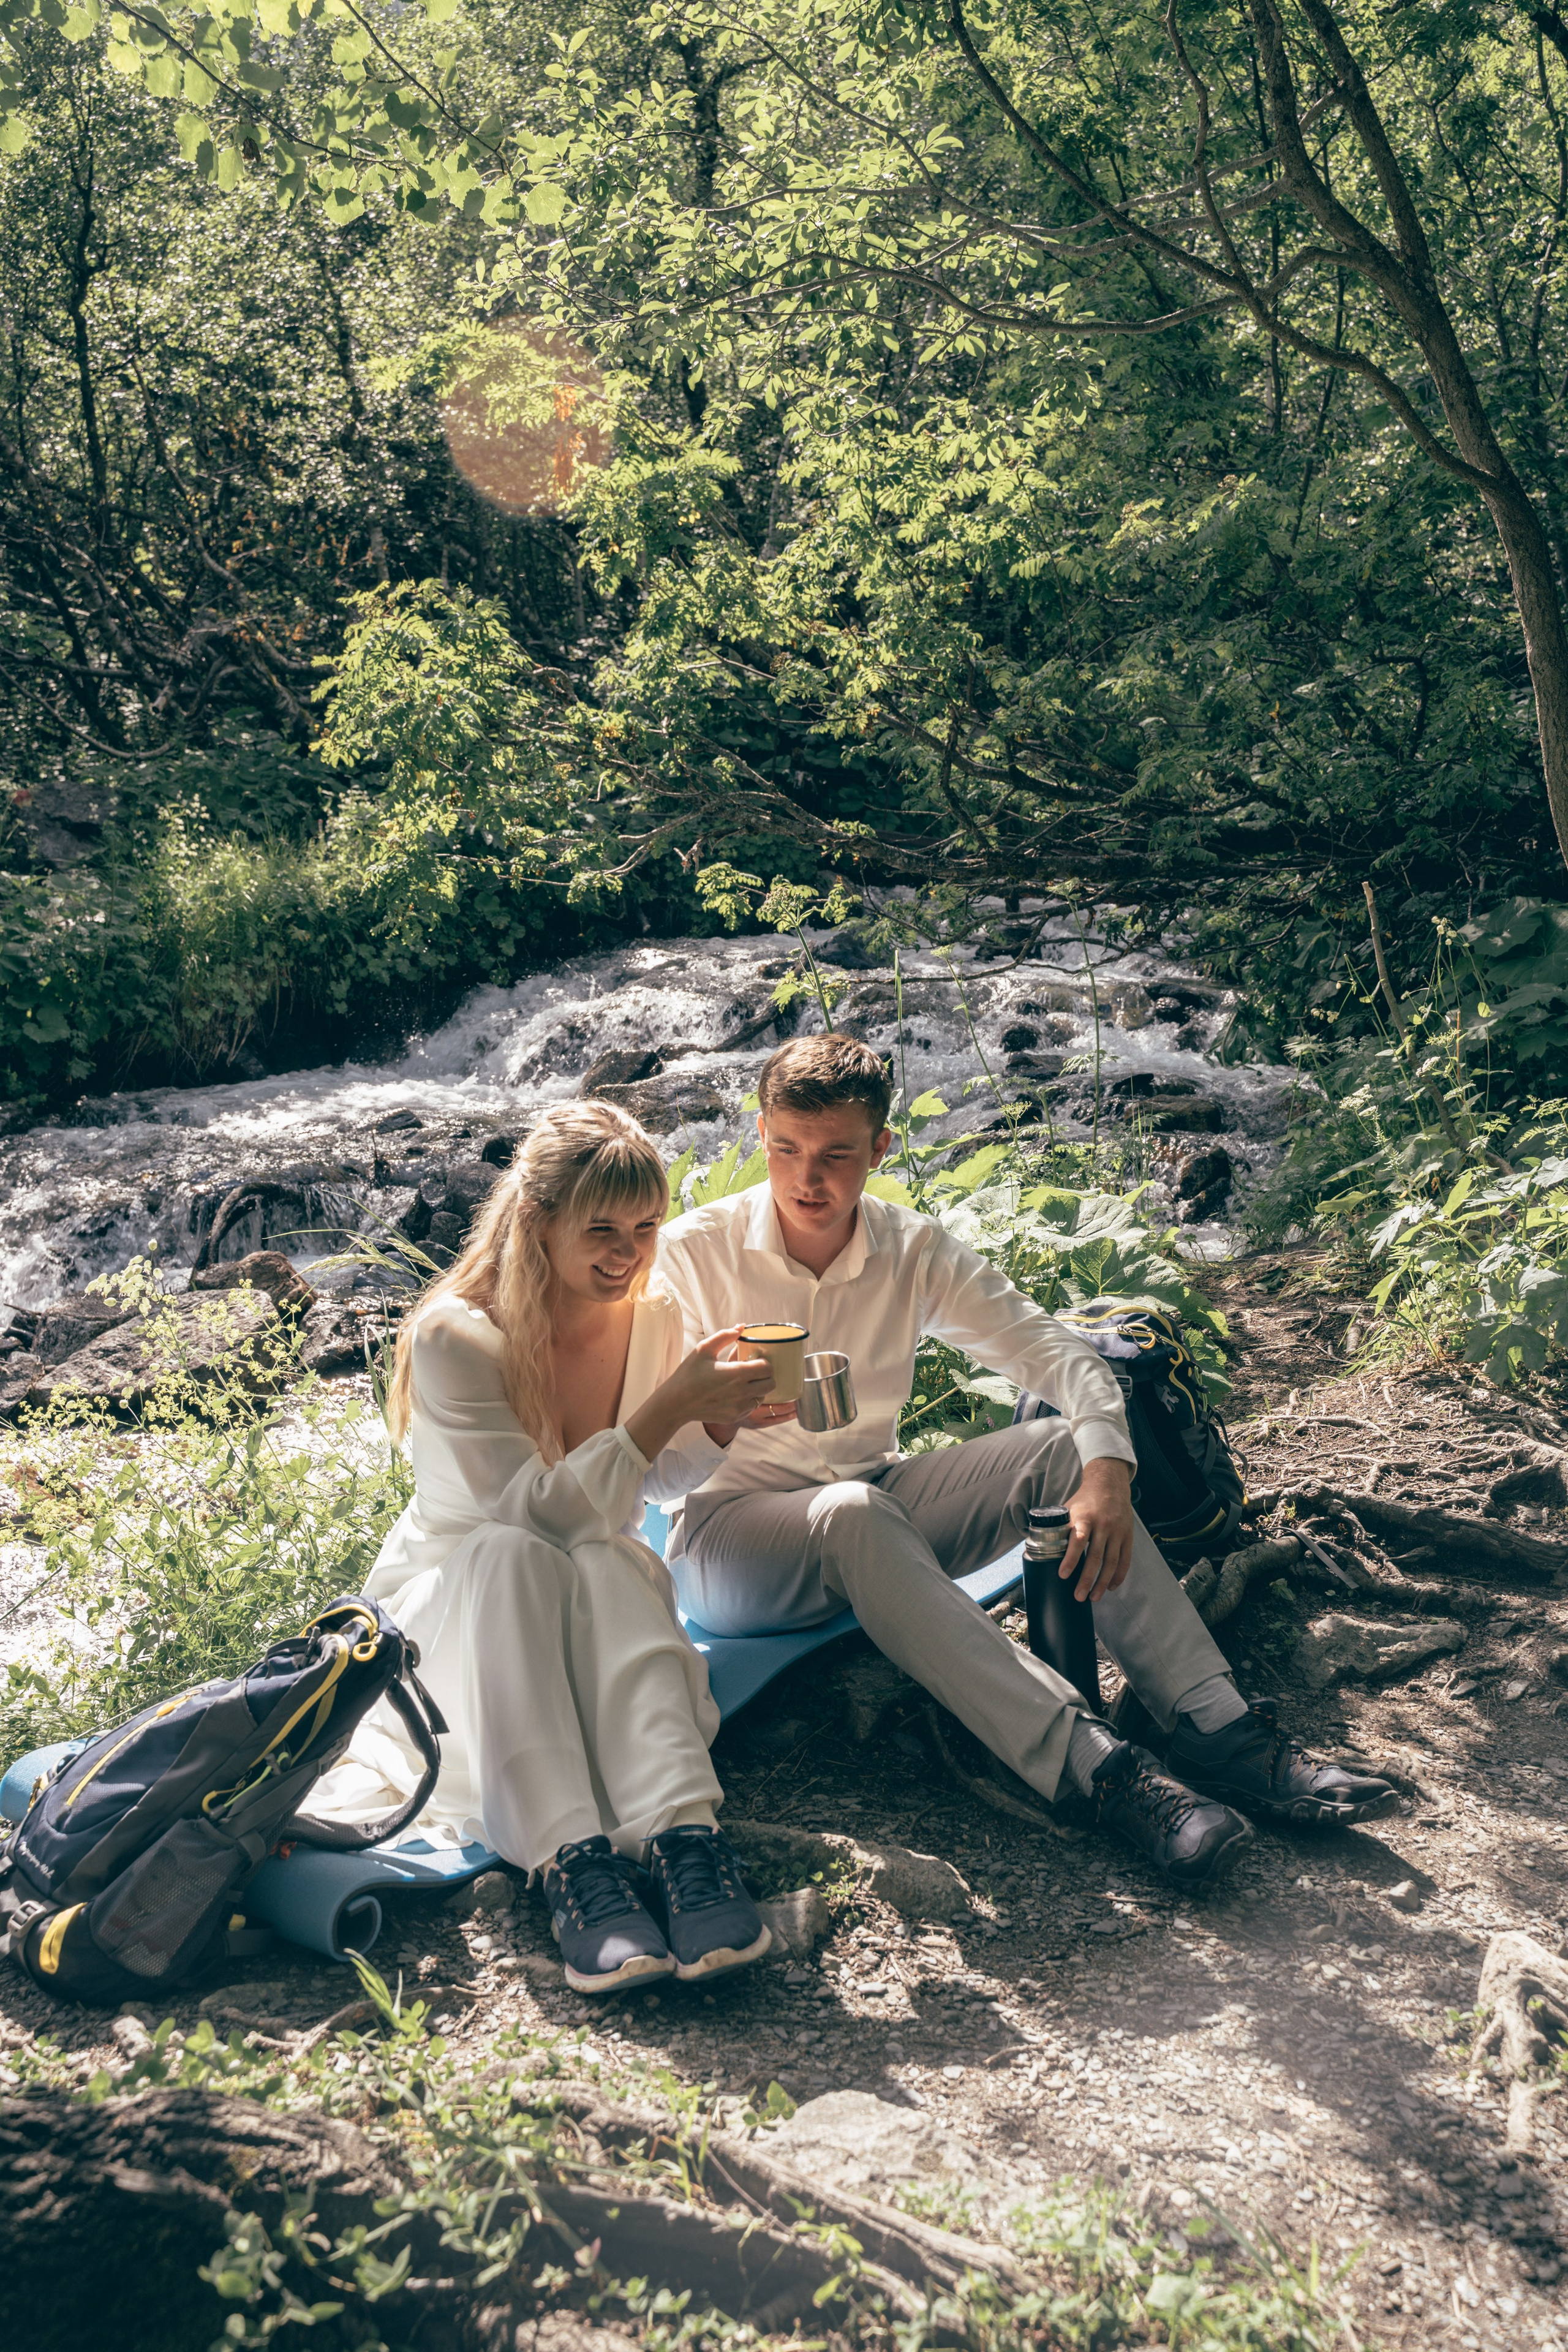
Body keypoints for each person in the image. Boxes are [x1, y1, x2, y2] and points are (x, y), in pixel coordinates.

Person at [657, 1034, 1396, 1888]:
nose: (806, 1179)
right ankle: (1099, 1769)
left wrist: (1109, 1469)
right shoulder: (691, 1252)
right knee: (855, 1516)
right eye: (786, 1150)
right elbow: (637, 1439)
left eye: (835, 1155)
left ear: (881, 1149)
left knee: (1056, 1448)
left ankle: (1213, 1725)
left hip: (872, 1499)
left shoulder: (909, 1248)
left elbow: (1056, 1353)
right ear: (759, 1135)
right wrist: (714, 1412)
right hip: (730, 1542)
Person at [317, 1101, 777, 1993]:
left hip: (587, 1582)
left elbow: (640, 1486)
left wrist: (712, 1423)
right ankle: (573, 1864)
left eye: (646, 1228)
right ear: (537, 1219)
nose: (627, 1253)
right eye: (600, 1229)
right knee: (523, 1554)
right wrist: (665, 1408)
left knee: (611, 1552)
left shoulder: (653, 1314)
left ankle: (686, 1838)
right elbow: (537, 1513)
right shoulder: (459, 1333)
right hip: (462, 1600)